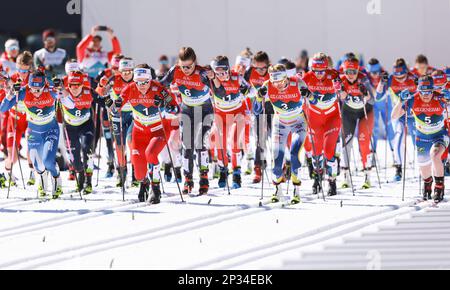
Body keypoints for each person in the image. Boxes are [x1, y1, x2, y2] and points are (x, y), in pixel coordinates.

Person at [106, 64, 180, 203]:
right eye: (138, 82)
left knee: (151, 154)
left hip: (159, 130)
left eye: (145, 82)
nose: (142, 85)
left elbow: (175, 109)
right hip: (139, 131)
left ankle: (155, 188)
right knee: (138, 171)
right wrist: (111, 105)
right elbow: (116, 106)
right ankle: (144, 183)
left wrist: (164, 104)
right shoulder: (130, 89)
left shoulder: (159, 89)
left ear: (150, 80)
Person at [0, 71, 75, 199]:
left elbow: (71, 105)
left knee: (48, 161)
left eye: (38, 89)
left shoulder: (50, 90)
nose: (36, 92)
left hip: (50, 130)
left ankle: (56, 180)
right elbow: (3, 108)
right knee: (37, 164)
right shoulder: (24, 91)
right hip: (34, 131)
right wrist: (11, 92)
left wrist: (62, 89)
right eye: (33, 89)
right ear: (29, 85)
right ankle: (42, 182)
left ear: (44, 85)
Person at [159, 47, 222, 196]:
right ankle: (187, 180)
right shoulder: (175, 71)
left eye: (189, 66)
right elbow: (160, 87)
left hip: (205, 110)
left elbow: (220, 92)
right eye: (183, 66)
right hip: (187, 110)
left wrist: (214, 77)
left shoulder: (202, 73)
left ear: (195, 63)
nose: (186, 69)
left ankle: (204, 179)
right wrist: (168, 102)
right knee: (187, 146)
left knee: (200, 143)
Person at [254, 64, 307, 204]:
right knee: (277, 162)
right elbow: (256, 108)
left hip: (298, 122)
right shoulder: (267, 85)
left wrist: (309, 94)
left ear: (286, 78)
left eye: (280, 81)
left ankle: (297, 190)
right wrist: (259, 96)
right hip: (280, 123)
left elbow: (314, 101)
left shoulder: (297, 82)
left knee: (295, 155)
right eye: (274, 81)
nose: (277, 85)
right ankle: (277, 190)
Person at [392, 76, 448, 203]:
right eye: (423, 91)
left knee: (435, 155)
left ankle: (439, 187)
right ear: (418, 90)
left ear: (432, 90)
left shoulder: (440, 98)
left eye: (429, 91)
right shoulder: (413, 99)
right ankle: (427, 184)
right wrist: (400, 101)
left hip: (439, 135)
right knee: (424, 169)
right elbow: (394, 116)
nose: (426, 95)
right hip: (422, 137)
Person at [302, 52, 342, 196]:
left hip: (332, 118)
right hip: (315, 119)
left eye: (322, 71)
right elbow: (295, 89)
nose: (319, 74)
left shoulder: (333, 75)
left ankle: (332, 181)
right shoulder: (306, 77)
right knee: (316, 153)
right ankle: (317, 179)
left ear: (326, 69)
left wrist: (339, 87)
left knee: (329, 151)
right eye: (315, 71)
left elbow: (343, 94)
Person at [209, 55, 251, 189]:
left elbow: (253, 92)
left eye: (223, 72)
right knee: (219, 143)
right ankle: (223, 170)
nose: (221, 76)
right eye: (218, 73)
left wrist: (247, 91)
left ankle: (236, 172)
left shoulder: (237, 77)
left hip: (237, 114)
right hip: (221, 115)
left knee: (234, 142)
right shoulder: (211, 81)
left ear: (228, 69)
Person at [97, 57, 136, 187]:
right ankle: (121, 173)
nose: (126, 74)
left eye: (129, 71)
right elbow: (101, 94)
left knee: (132, 142)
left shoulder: (137, 80)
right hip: (117, 115)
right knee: (119, 146)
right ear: (119, 71)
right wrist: (102, 86)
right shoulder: (114, 80)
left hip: (133, 115)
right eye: (123, 71)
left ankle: (136, 174)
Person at [377, 58, 417, 181]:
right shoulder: (390, 79)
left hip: (413, 113)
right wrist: (381, 83)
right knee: (398, 139)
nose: (400, 79)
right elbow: (378, 97)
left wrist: (419, 83)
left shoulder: (413, 77)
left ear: (406, 71)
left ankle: (425, 165)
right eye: (397, 77)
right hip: (398, 113)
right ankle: (398, 168)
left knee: (417, 140)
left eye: (402, 77)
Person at [339, 56, 375, 189]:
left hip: (365, 113)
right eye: (348, 72)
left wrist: (367, 96)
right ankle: (346, 176)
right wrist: (339, 95)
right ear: (344, 71)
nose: (351, 75)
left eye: (354, 72)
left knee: (363, 141)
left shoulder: (363, 79)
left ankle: (367, 175)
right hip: (348, 113)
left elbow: (372, 101)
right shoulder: (341, 81)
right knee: (346, 143)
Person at [61, 71, 95, 194]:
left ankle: (88, 181)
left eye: (77, 85)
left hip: (86, 125)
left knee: (87, 149)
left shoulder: (88, 91)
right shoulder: (63, 93)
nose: (74, 88)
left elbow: (102, 99)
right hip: (70, 128)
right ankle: (80, 177)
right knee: (74, 158)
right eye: (71, 85)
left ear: (82, 84)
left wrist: (109, 102)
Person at [243, 51, 271, 183]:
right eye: (257, 68)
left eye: (263, 68)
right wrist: (246, 91)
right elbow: (243, 85)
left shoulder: (272, 72)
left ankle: (283, 165)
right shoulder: (249, 72)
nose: (260, 71)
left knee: (274, 139)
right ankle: (257, 168)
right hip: (258, 108)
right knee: (259, 140)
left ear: (268, 65)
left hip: (272, 108)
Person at [367, 58, 395, 157]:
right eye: (371, 72)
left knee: (389, 127)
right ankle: (373, 153)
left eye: (376, 72)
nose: (374, 75)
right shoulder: (367, 75)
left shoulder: (384, 74)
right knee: (374, 128)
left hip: (385, 104)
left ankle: (394, 153)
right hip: (374, 105)